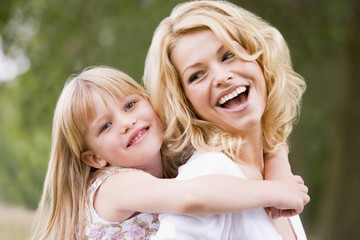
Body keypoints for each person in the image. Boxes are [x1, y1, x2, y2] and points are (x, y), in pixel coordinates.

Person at [31, 66, 309, 240]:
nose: (127, 122)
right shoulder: (113, 185)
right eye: (105, 126)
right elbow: (192, 198)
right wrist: (276, 191)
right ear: (95, 159)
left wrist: (277, 158)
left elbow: (252, 139)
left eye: (130, 105)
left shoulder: (176, 159)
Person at [143, 1, 308, 239]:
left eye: (228, 55)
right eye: (197, 75)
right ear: (184, 101)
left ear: (258, 57)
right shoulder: (210, 173)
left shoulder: (274, 174)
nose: (222, 77)